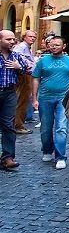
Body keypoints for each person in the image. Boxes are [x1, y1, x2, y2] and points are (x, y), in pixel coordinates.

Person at [31, 36, 69, 169]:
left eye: (57, 45)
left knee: (61, 127)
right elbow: (35, 78)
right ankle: (47, 149)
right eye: (52, 45)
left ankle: (60, 156)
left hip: (63, 99)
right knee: (45, 128)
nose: (54, 47)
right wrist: (34, 98)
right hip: (45, 98)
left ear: (64, 46)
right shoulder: (42, 61)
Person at [0, 30, 27, 170]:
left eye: (13, 39)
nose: (12, 42)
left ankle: (8, 157)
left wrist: (19, 67)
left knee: (8, 125)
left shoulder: (16, 56)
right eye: (8, 39)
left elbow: (27, 71)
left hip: (9, 93)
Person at [12, 30, 37, 133]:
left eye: (34, 37)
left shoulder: (27, 47)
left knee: (23, 101)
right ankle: (18, 125)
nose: (32, 38)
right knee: (21, 101)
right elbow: (16, 56)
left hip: (26, 76)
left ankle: (18, 124)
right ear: (24, 37)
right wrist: (27, 64)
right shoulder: (22, 47)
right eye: (30, 36)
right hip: (23, 76)